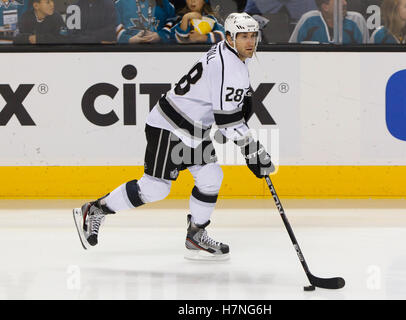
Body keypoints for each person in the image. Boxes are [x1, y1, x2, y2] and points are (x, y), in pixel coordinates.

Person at [73, 12, 275, 260]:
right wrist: (253, 151)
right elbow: (227, 123)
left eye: (253, 36)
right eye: (243, 36)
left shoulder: (228, 51)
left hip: (194, 127)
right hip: (169, 125)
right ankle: (95, 210)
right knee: (155, 188)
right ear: (231, 38)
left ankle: (196, 234)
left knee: (211, 177)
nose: (250, 42)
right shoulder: (230, 67)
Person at [288, 0, 369, 44]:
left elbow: (366, 56)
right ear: (325, 7)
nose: (345, 3)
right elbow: (291, 52)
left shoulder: (357, 20)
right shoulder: (307, 20)